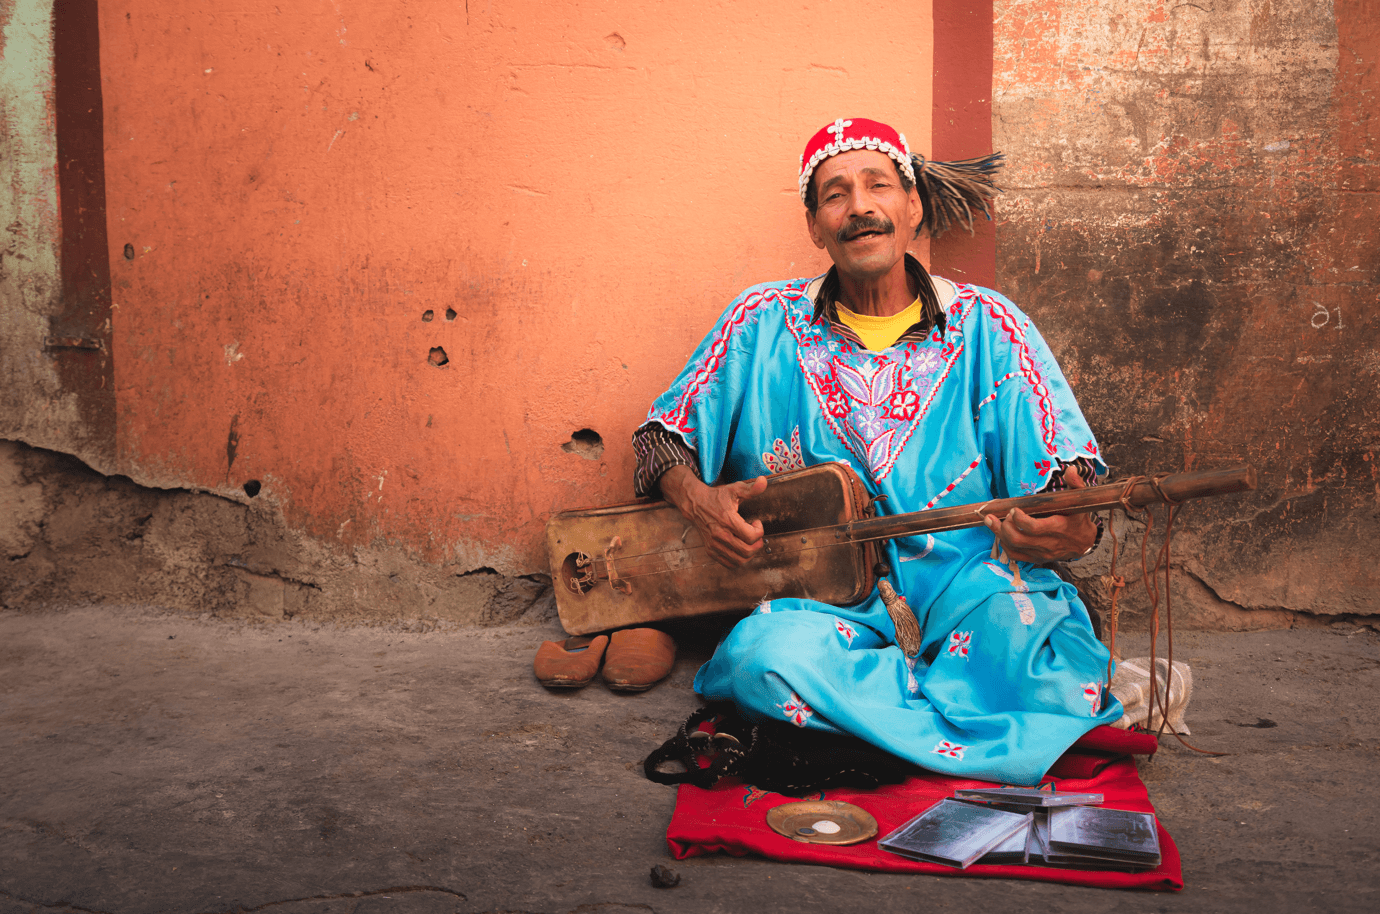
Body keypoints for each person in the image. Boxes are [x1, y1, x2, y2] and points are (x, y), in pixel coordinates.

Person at [629, 117, 1122, 786]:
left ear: (912, 206)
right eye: (835, 194)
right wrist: (697, 499)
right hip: (823, 604)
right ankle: (965, 716)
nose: (859, 206)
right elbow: (659, 440)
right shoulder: (760, 322)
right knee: (761, 658)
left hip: (971, 586)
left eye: (878, 186)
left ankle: (856, 735)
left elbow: (1073, 484)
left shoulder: (991, 326)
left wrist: (1071, 530)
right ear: (814, 226)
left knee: (1041, 646)